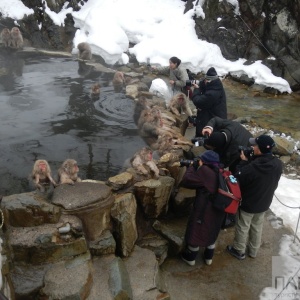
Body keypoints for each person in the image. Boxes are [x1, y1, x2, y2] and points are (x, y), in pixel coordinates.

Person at [227, 134, 283, 260]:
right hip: (264, 202)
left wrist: (243, 161)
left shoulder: (253, 167)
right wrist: (251, 160)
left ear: (260, 149)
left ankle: (239, 250)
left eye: (255, 145)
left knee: (243, 226)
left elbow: (238, 177)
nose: (252, 147)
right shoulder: (278, 164)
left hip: (249, 203)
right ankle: (253, 251)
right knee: (257, 226)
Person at [180, 150, 226, 266]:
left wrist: (192, 167)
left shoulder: (205, 172)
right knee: (212, 229)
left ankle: (190, 257)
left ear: (205, 162)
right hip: (219, 208)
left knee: (197, 230)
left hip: (204, 209)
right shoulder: (220, 171)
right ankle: (208, 257)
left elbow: (186, 181)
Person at [191, 67, 227, 137]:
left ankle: (201, 145)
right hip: (211, 115)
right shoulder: (216, 85)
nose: (204, 81)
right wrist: (200, 83)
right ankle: (199, 143)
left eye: (206, 80)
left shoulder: (213, 93)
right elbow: (205, 86)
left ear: (209, 81)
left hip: (212, 119)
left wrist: (196, 90)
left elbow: (198, 102)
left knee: (206, 137)